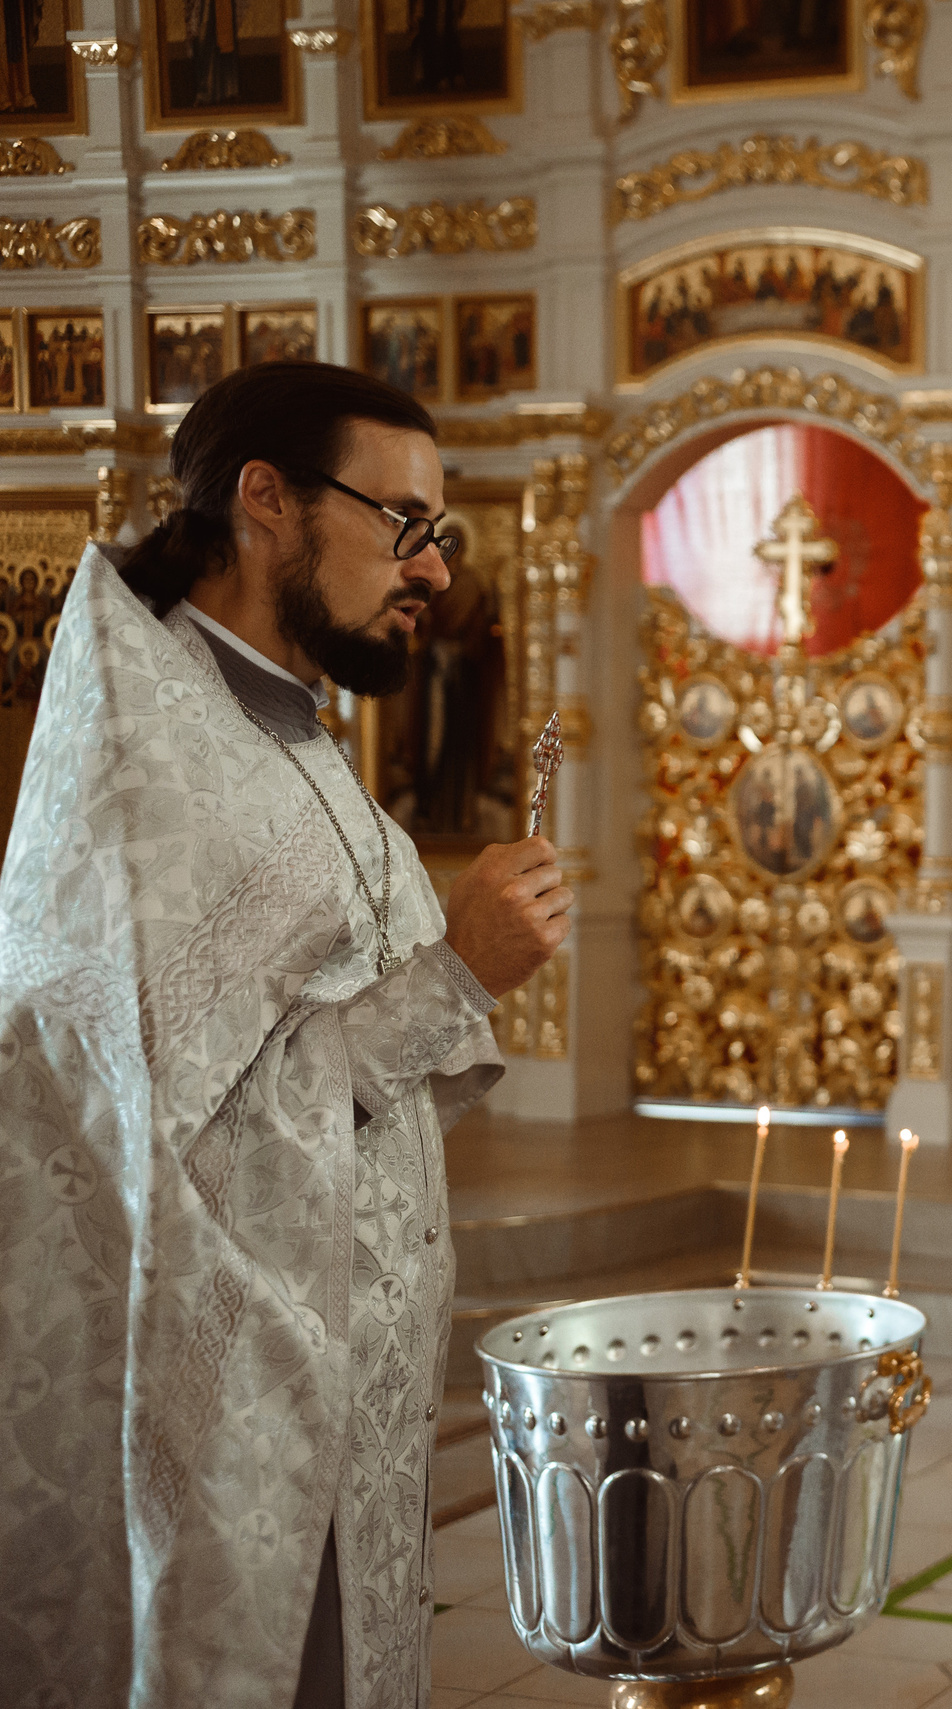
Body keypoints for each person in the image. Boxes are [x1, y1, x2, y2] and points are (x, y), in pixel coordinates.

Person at [0, 359, 574, 1705]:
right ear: (265, 499)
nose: (429, 569)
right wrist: (457, 972)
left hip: (334, 1366)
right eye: (405, 525)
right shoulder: (154, 764)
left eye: (440, 536)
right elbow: (191, 1143)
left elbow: (330, 1059)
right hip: (228, 1397)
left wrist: (457, 981)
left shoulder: (288, 731)